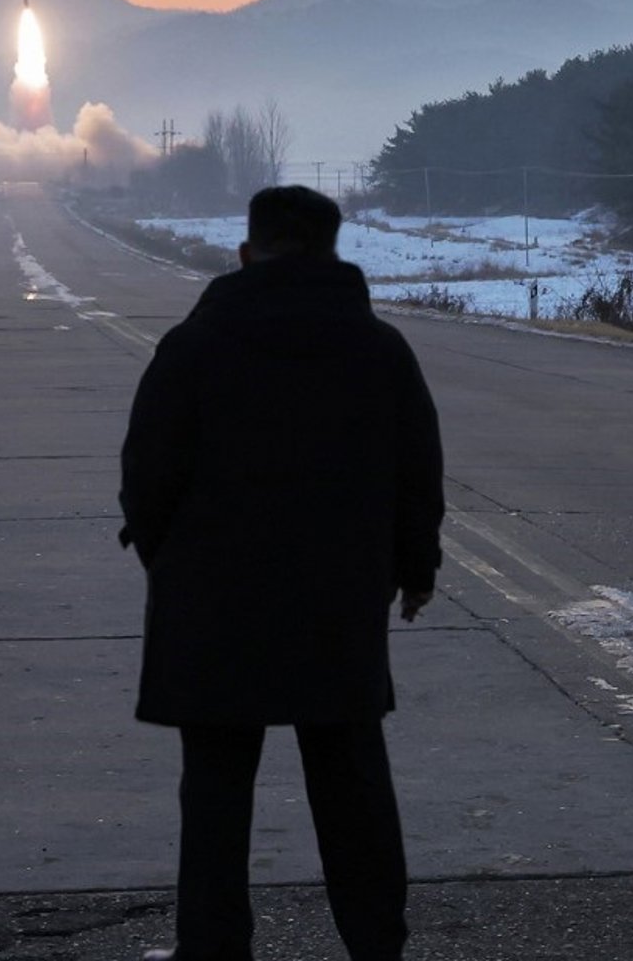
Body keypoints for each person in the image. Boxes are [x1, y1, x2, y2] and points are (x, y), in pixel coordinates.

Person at [120, 185, 445, 961]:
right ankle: (376, 944)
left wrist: (173, 565)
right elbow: (417, 473)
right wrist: (414, 569)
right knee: (352, 783)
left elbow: (147, 476)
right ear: (334, 251)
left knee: (216, 789)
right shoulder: (380, 349)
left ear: (246, 252)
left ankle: (212, 946)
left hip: (214, 604)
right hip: (338, 603)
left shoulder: (194, 345)